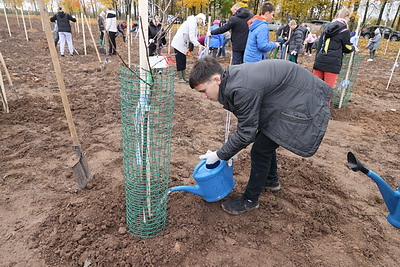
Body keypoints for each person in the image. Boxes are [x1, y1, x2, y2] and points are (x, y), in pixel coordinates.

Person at [188, 56, 332, 215]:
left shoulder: (242, 88)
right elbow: (250, 123)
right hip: (288, 97)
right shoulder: (233, 80)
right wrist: (228, 151)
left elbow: (246, 132)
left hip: (302, 102)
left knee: (260, 149)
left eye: (203, 91)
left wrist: (220, 154)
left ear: (216, 80)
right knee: (265, 140)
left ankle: (250, 200)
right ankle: (271, 180)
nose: (203, 96)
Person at [312, 8, 354, 88]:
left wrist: (317, 58)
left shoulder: (326, 27)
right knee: (327, 89)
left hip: (320, 60)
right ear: (346, 17)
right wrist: (353, 48)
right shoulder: (344, 30)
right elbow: (347, 48)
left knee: (314, 87)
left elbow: (320, 44)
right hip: (333, 64)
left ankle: (310, 101)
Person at [171, 13, 206, 83]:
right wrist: (198, 45)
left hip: (183, 44)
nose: (201, 23)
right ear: (200, 19)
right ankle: (180, 77)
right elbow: (192, 37)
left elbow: (194, 37)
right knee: (180, 60)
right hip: (179, 43)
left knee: (183, 60)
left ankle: (183, 76)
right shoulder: (192, 23)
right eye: (202, 21)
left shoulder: (194, 23)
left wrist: (199, 44)